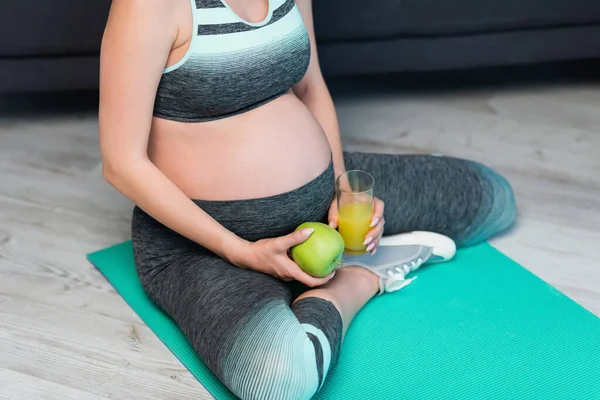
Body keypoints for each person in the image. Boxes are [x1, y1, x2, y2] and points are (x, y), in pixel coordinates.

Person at [98, 0, 517, 398]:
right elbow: (122, 163)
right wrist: (242, 252)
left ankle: (340, 257)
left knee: (492, 199)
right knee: (278, 379)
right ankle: (354, 281)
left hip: (323, 207)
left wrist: (346, 190)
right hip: (205, 246)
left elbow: (311, 86)